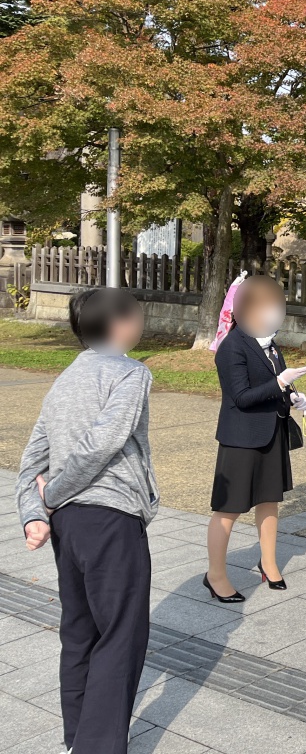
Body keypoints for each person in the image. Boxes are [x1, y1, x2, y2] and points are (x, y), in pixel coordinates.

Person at [16, 288, 158, 754]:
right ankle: (97, 747)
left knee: (79, 630)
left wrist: (35, 513)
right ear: (118, 323)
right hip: (110, 518)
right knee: (120, 633)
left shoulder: (67, 377)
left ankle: (76, 737)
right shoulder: (132, 373)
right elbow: (103, 442)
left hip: (70, 528)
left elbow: (31, 459)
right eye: (135, 314)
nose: (140, 320)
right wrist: (50, 497)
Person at [205, 275, 306, 602]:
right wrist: (280, 383)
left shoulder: (268, 340)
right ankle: (216, 575)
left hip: (271, 433)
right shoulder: (232, 346)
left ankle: (269, 563)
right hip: (241, 438)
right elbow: (241, 396)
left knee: (269, 501)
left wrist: (292, 396)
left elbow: (273, 383)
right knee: (228, 509)